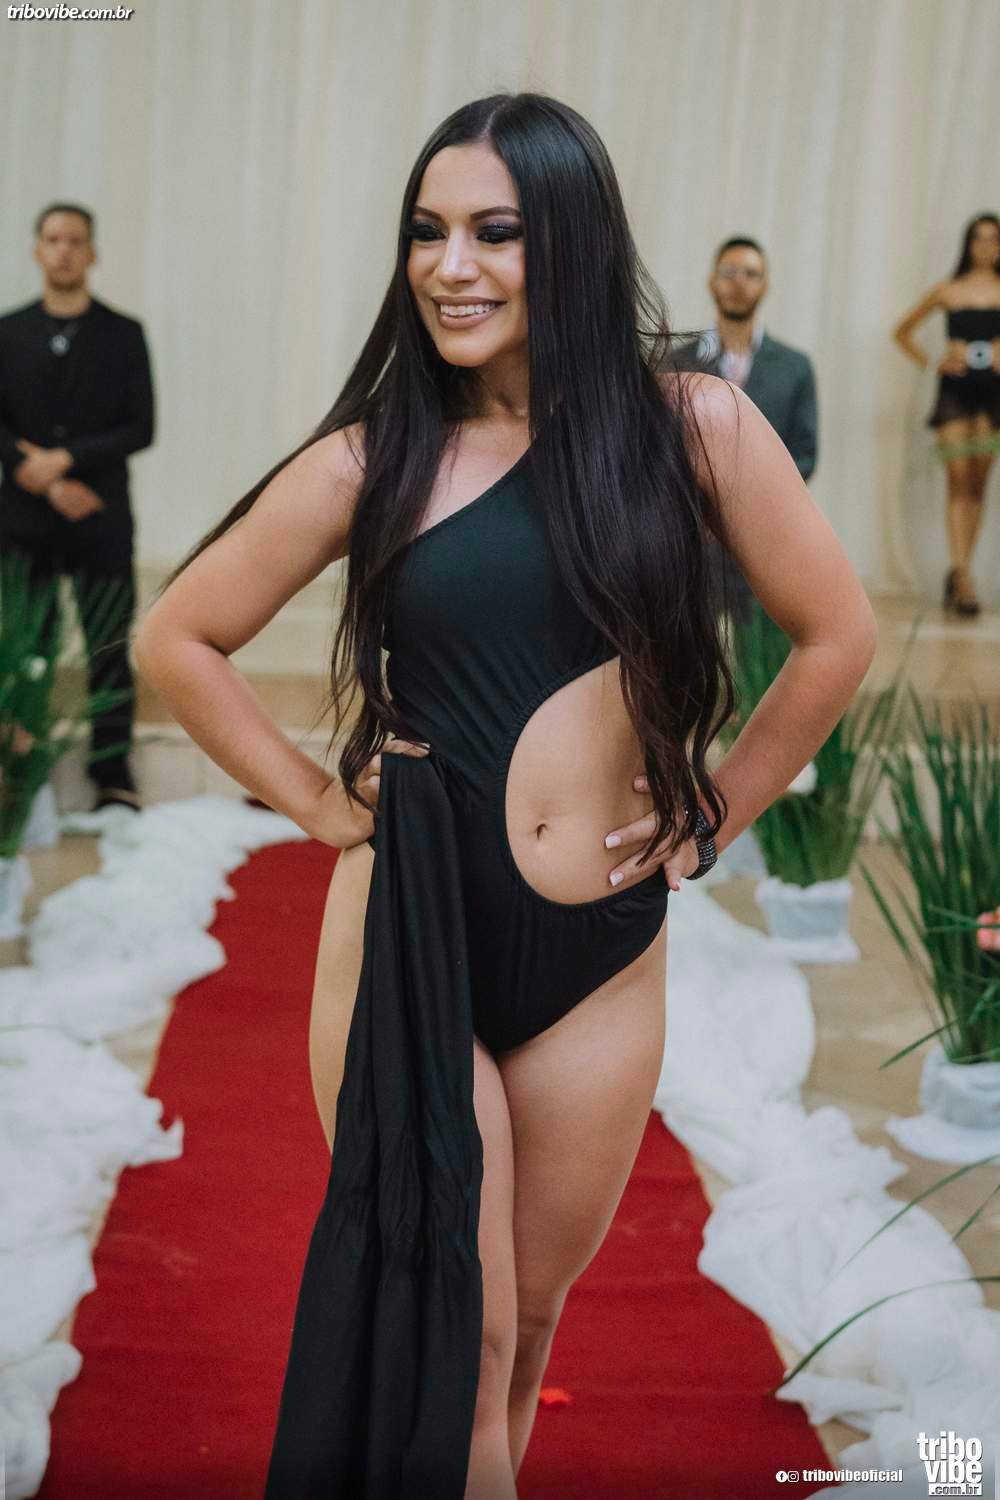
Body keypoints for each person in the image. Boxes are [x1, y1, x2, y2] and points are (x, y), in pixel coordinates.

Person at [133, 93, 877, 1498]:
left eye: (494, 231)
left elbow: (837, 633)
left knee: (527, 1332)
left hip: (599, 958)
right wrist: (315, 802)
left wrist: (717, 810)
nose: (450, 265)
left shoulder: (692, 427)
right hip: (414, 938)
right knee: (460, 1348)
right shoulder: (381, 454)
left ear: (572, 241)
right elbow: (178, 639)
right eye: (427, 232)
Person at [0, 202, 155, 812]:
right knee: (25, 651)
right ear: (36, 250)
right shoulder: (7, 331)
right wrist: (43, 480)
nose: (63, 250)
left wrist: (64, 461)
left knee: (108, 646)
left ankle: (111, 772)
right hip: (23, 520)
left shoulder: (123, 333)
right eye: (53, 239)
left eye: (75, 241)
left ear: (91, 253)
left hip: (100, 518)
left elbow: (140, 426)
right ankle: (20, 768)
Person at [666, 236, 818, 621]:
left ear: (765, 285)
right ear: (711, 282)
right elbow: (661, 447)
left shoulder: (795, 367)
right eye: (729, 272)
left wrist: (752, 506)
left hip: (767, 539)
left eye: (751, 274)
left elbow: (804, 453)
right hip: (692, 542)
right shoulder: (675, 362)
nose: (739, 283)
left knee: (758, 647)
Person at [892, 212, 1000, 618]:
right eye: (979, 238)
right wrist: (935, 360)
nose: (986, 246)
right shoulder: (949, 290)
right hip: (955, 392)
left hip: (993, 394)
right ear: (968, 243)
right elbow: (902, 331)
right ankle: (962, 573)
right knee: (957, 476)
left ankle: (962, 568)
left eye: (993, 238)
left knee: (978, 480)